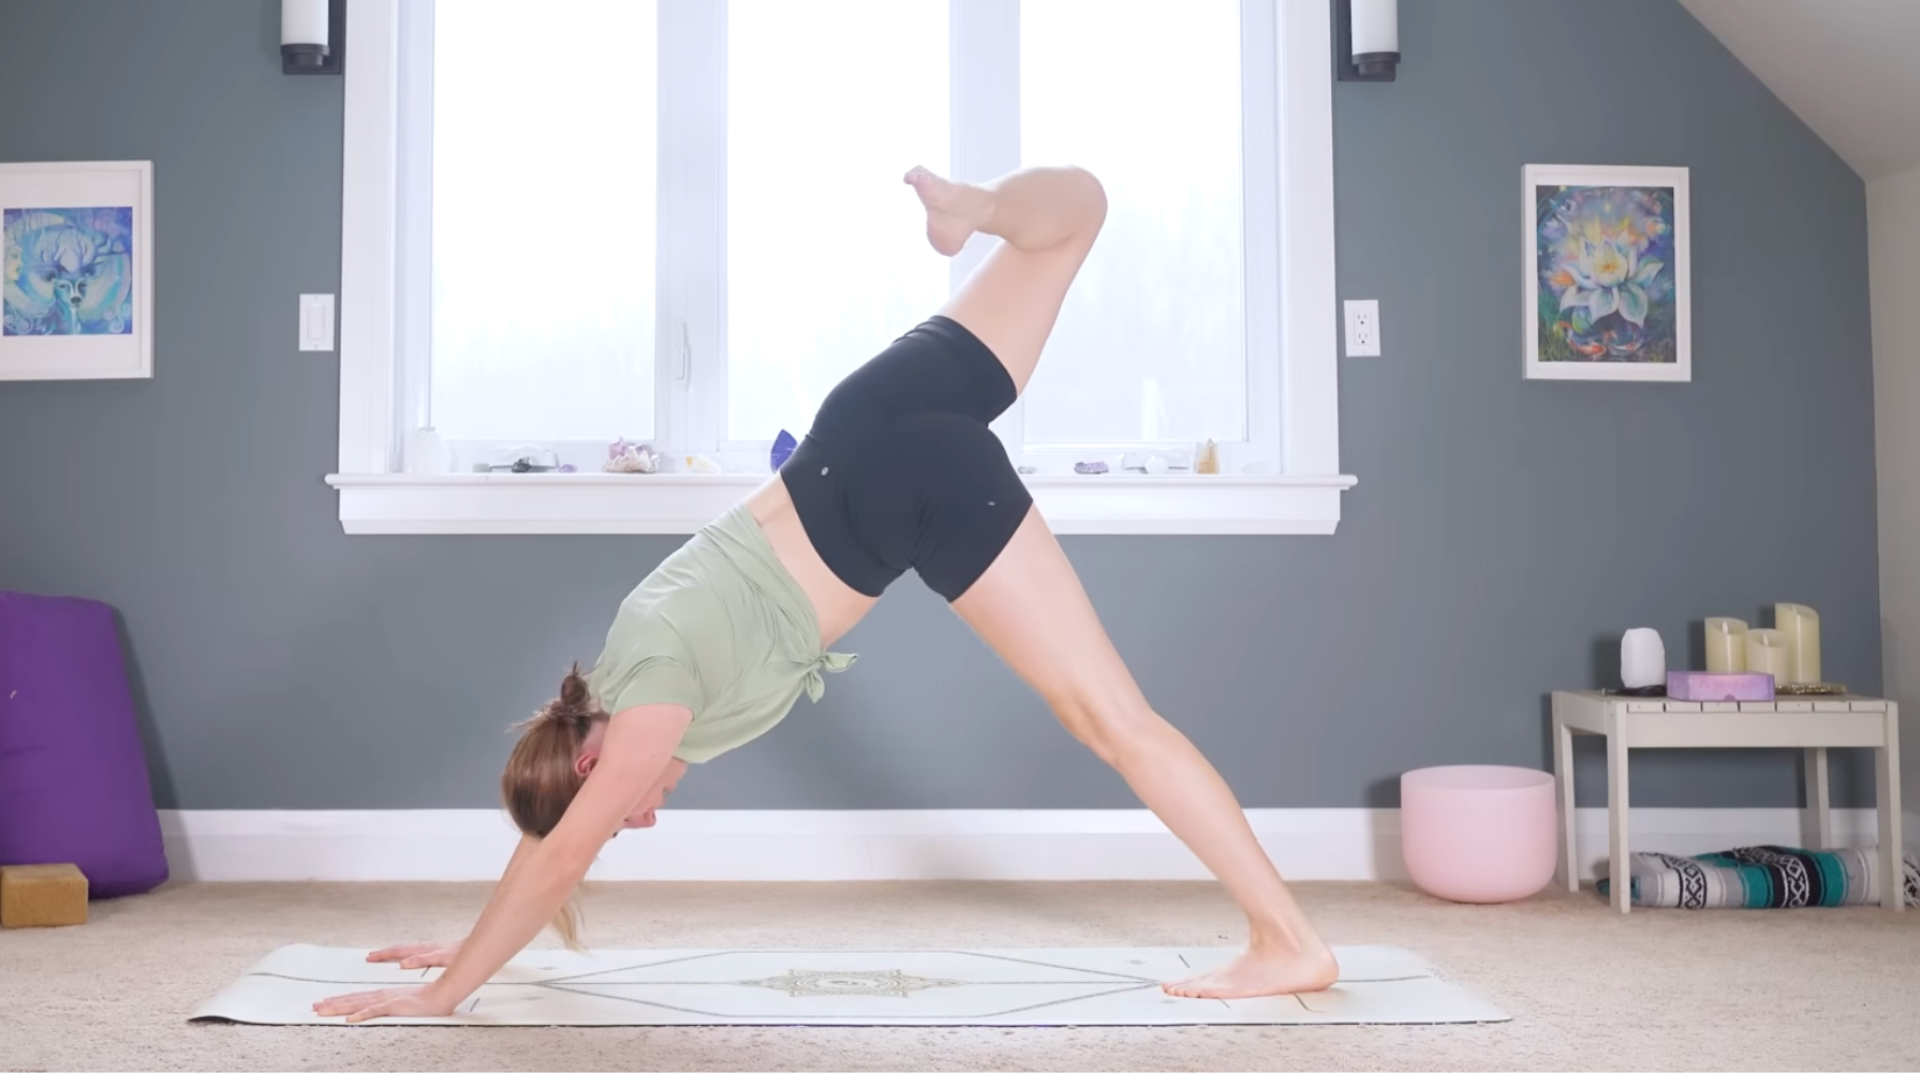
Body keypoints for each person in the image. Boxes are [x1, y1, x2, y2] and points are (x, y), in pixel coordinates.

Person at [313, 164, 1338, 1023]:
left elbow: (558, 856)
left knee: (1115, 721)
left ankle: (1286, 941)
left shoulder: (649, 696)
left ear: (591, 755)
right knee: (1071, 223)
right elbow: (554, 857)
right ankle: (975, 210)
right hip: (873, 412)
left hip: (897, 486)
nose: (643, 815)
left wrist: (449, 992)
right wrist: (466, 941)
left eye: (619, 809)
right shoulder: (638, 668)